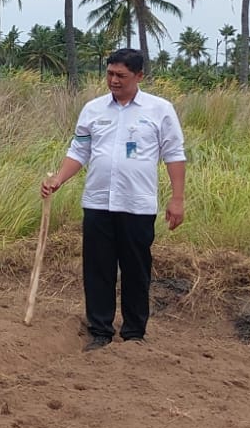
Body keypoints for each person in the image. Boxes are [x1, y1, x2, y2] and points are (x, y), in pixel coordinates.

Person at [40, 49, 187, 350]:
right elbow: (79, 151)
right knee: (98, 269)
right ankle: (100, 330)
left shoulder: (160, 110)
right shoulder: (93, 109)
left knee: (136, 270)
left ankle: (133, 333)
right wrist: (58, 179)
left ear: (139, 76)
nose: (114, 80)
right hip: (98, 203)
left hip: (137, 205)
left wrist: (177, 199)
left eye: (121, 75)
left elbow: (174, 154)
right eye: (109, 74)